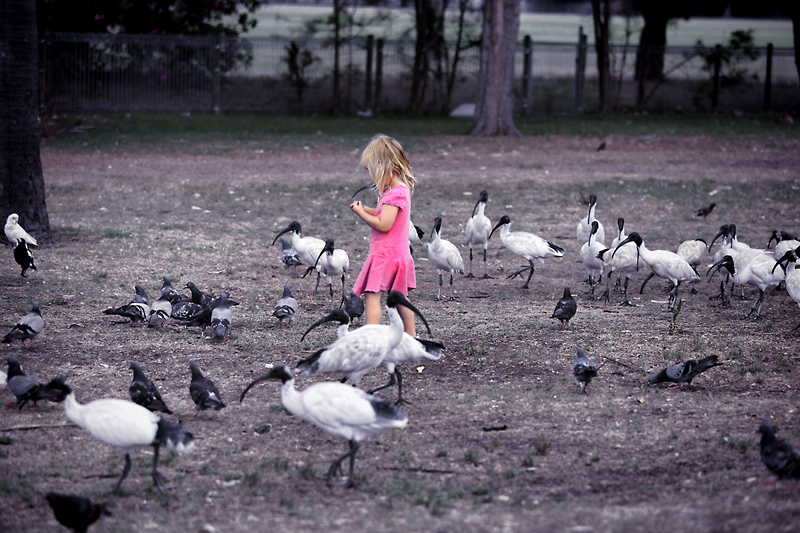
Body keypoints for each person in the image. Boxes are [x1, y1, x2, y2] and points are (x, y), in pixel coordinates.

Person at [350, 134, 417, 335]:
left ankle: (372, 339)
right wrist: (367, 208)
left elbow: (384, 224)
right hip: (397, 253)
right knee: (399, 297)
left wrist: (361, 213)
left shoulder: (394, 193)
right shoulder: (400, 189)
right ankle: (411, 336)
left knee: (372, 296)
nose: (371, 176)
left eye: (371, 171)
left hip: (385, 255)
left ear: (382, 167)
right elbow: (386, 215)